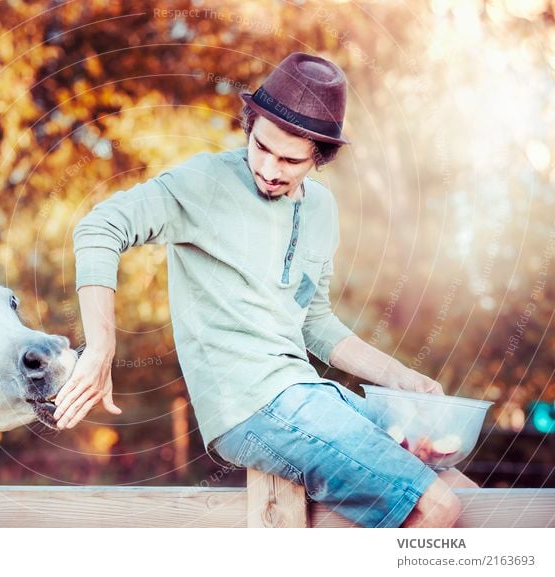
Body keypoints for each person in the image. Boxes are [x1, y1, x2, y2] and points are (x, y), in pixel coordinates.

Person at [53, 52, 477, 527]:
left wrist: (399, 377)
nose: (270, 168)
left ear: (320, 155)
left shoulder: (321, 209)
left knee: (466, 493)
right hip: (252, 405)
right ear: (249, 126)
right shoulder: (205, 182)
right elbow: (100, 227)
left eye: (291, 159)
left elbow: (314, 322)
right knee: (437, 507)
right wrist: (102, 346)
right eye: (261, 147)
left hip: (312, 395)